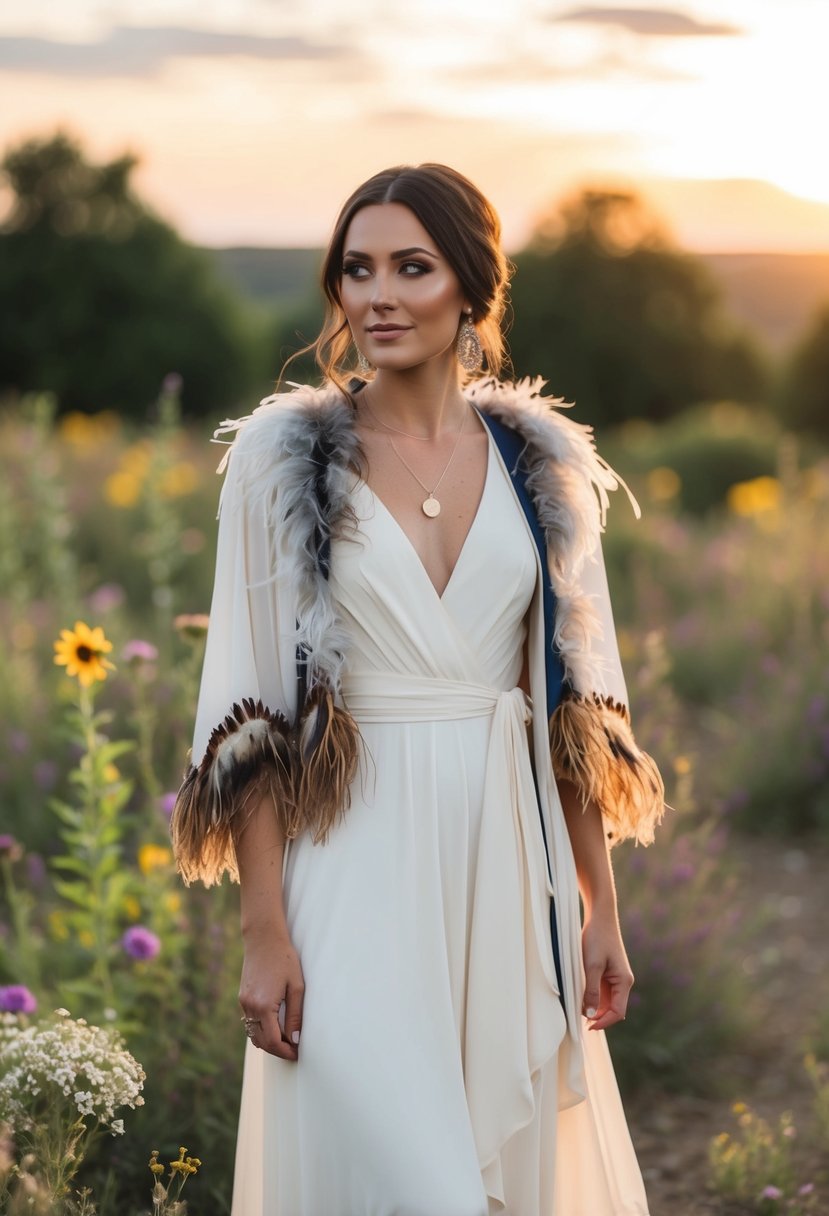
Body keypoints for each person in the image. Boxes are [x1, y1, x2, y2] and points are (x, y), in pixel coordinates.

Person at [171, 163, 665, 1215]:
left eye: (411, 266)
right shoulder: (283, 458)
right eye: (356, 270)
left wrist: (599, 909)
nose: (378, 295)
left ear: (471, 288)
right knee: (394, 1165)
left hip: (505, 853)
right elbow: (251, 711)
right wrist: (265, 928)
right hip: (351, 858)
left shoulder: (543, 468)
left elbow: (569, 707)